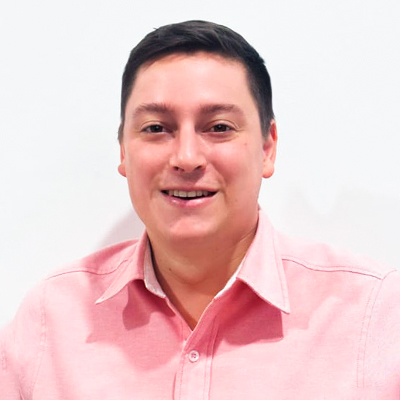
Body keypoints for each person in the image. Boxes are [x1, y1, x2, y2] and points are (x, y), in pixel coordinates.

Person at [1, 20, 399, 400]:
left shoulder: (374, 314)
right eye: (156, 128)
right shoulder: (52, 319)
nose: (187, 158)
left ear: (267, 147)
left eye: (219, 127)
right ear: (123, 150)